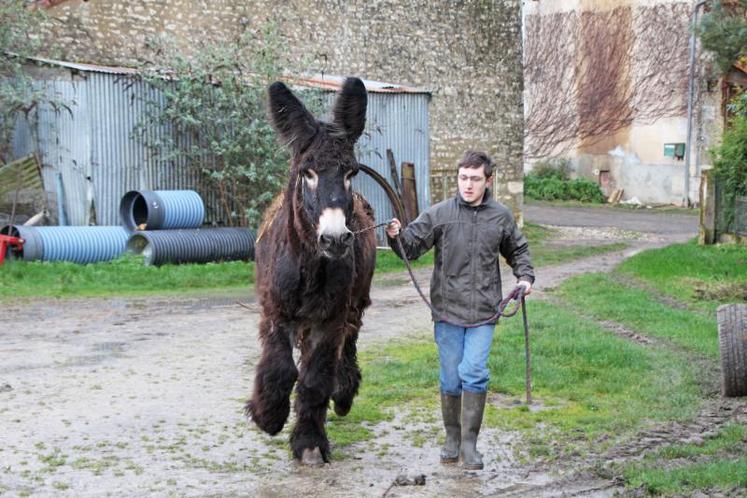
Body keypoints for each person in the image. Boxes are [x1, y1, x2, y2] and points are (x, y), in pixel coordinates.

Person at [385, 150, 534, 470]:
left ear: (488, 181)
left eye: (475, 179)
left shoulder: (501, 217)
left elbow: (518, 250)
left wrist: (524, 278)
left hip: (484, 312)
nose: (468, 185)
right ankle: (452, 438)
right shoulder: (440, 214)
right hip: (447, 312)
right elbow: (411, 246)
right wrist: (397, 236)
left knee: (474, 373)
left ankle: (469, 445)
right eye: (463, 178)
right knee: (451, 379)